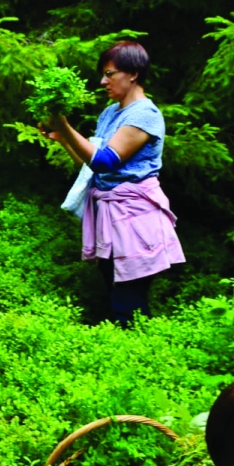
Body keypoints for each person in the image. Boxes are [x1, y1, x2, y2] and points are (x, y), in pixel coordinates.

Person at [41, 41, 184, 326]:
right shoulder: (110, 113)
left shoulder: (144, 115)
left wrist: (65, 125)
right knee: (113, 287)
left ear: (133, 73)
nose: (103, 81)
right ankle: (128, 349)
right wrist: (64, 137)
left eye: (110, 74)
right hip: (113, 217)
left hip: (135, 218)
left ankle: (139, 354)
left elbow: (106, 161)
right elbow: (92, 166)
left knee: (128, 300)